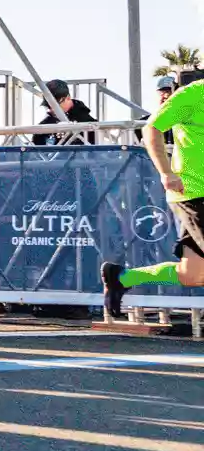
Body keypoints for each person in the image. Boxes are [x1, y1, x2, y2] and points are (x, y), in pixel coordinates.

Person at [101, 73, 204, 313]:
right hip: (195, 192)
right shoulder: (194, 94)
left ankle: (122, 278)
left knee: (192, 274)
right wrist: (166, 172)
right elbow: (152, 128)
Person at [31, 79, 94, 145]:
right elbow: (36, 142)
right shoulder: (48, 121)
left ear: (68, 98)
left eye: (56, 105)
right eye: (48, 106)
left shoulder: (86, 121)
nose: (51, 109)